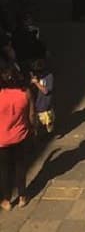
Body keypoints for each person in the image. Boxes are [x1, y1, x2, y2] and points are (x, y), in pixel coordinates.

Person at [0, 66, 32, 209]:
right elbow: (32, 116)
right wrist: (33, 129)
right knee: (20, 167)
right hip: (21, 136)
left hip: (2, 140)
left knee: (5, 170)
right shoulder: (25, 94)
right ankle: (22, 197)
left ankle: (6, 201)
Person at [29, 58, 54, 137]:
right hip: (36, 105)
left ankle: (48, 134)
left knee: (48, 123)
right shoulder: (35, 78)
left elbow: (46, 91)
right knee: (37, 125)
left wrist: (37, 83)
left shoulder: (49, 77)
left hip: (45, 105)